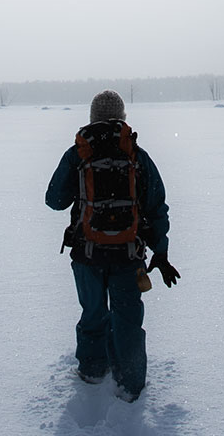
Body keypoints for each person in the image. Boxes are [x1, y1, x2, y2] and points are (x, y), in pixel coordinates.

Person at [45, 90, 180, 401]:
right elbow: (157, 207)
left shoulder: (78, 153)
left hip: (86, 255)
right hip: (128, 256)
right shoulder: (135, 154)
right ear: (123, 118)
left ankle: (92, 375)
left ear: (92, 118)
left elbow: (54, 200)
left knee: (93, 313)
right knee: (128, 322)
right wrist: (161, 252)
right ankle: (130, 387)